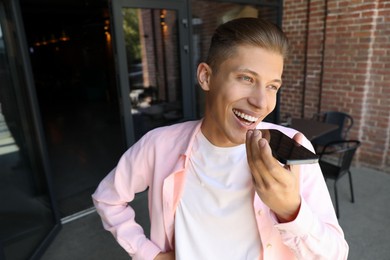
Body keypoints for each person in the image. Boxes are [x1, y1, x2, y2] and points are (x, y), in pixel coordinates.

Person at [92, 17, 349, 260]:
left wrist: (290, 209)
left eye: (272, 86)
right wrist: (147, 254)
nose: (261, 102)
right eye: (246, 78)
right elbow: (107, 198)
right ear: (206, 76)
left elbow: (335, 254)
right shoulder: (158, 145)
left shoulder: (292, 148)